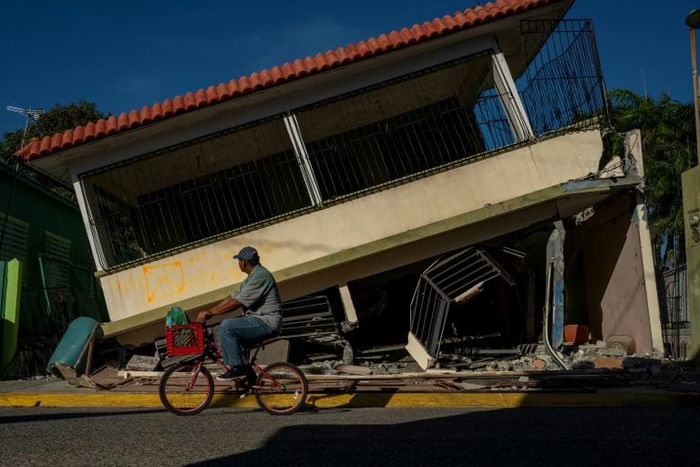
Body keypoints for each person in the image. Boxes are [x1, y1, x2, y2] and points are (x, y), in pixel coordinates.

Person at [197, 246, 282, 381]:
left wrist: (211, 313)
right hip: (257, 320)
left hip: (266, 322)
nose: (238, 264)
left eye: (239, 261)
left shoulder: (261, 276)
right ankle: (249, 376)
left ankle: (238, 368)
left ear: (244, 262)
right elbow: (232, 297)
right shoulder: (252, 277)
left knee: (227, 326)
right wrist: (210, 311)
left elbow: (236, 303)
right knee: (233, 337)